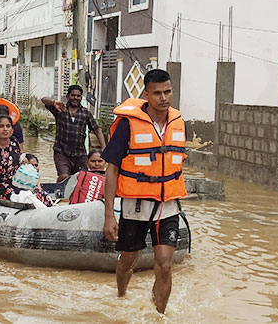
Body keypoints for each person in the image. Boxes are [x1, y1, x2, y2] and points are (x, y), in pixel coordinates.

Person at [102, 69, 188, 314]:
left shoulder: (178, 122)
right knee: (129, 259)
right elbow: (112, 170)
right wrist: (109, 214)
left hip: (167, 204)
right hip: (135, 204)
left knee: (164, 265)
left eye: (168, 92)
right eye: (157, 93)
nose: (164, 98)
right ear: (146, 94)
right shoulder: (128, 126)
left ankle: (159, 314)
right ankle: (121, 295)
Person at [0, 115, 52, 207]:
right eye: (1, 126)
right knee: (21, 197)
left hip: (15, 182)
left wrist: (23, 161)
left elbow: (19, 158)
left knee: (41, 195)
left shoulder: (14, 143)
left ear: (12, 129)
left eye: (8, 126)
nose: (5, 129)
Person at [42, 85, 106, 182]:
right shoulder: (60, 109)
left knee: (82, 180)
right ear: (68, 96)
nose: (75, 98)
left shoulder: (86, 113)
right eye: (73, 95)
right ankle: (59, 195)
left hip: (80, 154)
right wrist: (54, 102)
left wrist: (104, 147)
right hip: (61, 152)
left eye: (78, 96)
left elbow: (97, 129)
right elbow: (43, 100)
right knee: (64, 177)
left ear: (81, 98)